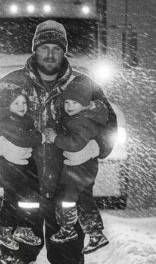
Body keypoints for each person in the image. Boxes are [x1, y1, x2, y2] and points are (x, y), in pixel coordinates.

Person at [0, 20, 118, 264]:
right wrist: (0, 145)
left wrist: (94, 148)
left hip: (69, 187)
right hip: (23, 185)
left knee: (67, 258)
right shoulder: (9, 84)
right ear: (35, 49)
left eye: (56, 48)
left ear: (64, 51)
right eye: (44, 47)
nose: (50, 54)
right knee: (16, 254)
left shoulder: (85, 86)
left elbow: (109, 125)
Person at [43, 76, 110, 253]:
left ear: (85, 105)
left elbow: (75, 144)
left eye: (74, 102)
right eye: (66, 102)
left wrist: (55, 138)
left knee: (67, 199)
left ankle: (68, 229)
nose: (69, 106)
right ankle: (95, 233)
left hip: (79, 167)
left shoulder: (81, 121)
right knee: (83, 199)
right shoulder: (83, 117)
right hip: (84, 167)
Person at [0, 90, 43, 251]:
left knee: (27, 202)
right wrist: (41, 137)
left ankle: (23, 229)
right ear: (8, 106)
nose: (21, 106)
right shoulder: (8, 122)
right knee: (12, 202)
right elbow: (23, 139)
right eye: (16, 103)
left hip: (24, 171)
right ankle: (4, 230)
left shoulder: (24, 120)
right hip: (12, 172)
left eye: (24, 103)